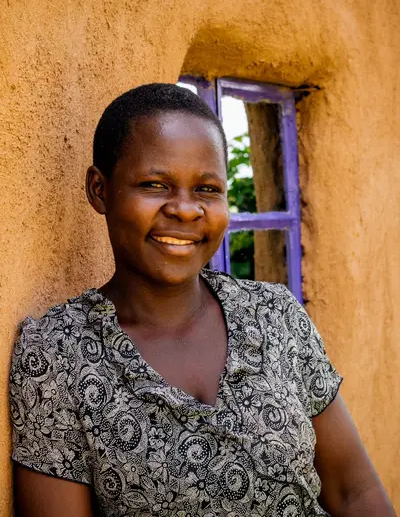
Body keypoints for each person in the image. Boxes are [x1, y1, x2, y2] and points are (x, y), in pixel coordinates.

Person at [10, 83, 395, 517]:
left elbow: (354, 491)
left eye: (208, 189)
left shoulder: (274, 315)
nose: (187, 210)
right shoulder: (58, 354)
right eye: (155, 184)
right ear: (99, 190)